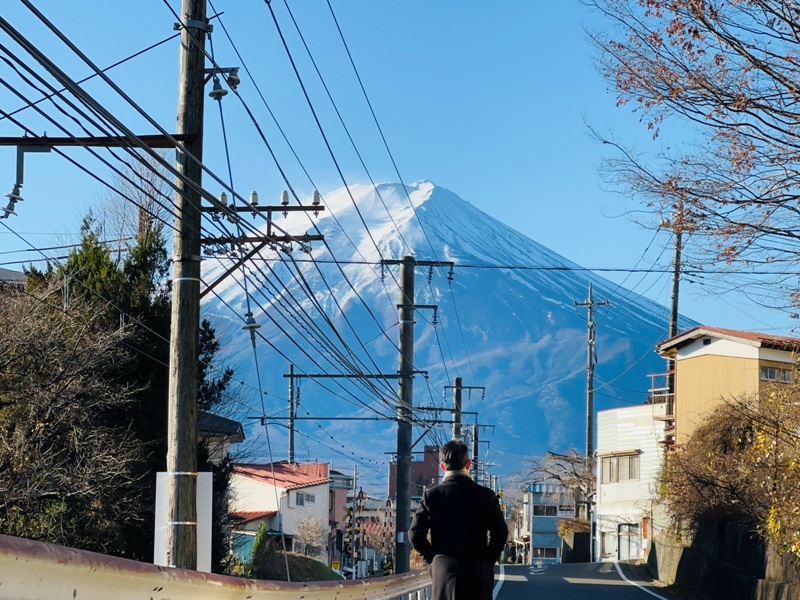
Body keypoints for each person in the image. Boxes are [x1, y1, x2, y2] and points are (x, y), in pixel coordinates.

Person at [408, 440, 509, 600]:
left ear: (442, 467)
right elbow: (500, 533)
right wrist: (487, 560)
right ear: (468, 464)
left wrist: (434, 558)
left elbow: (415, 534)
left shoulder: (431, 496)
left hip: (444, 572)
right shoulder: (485, 495)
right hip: (477, 571)